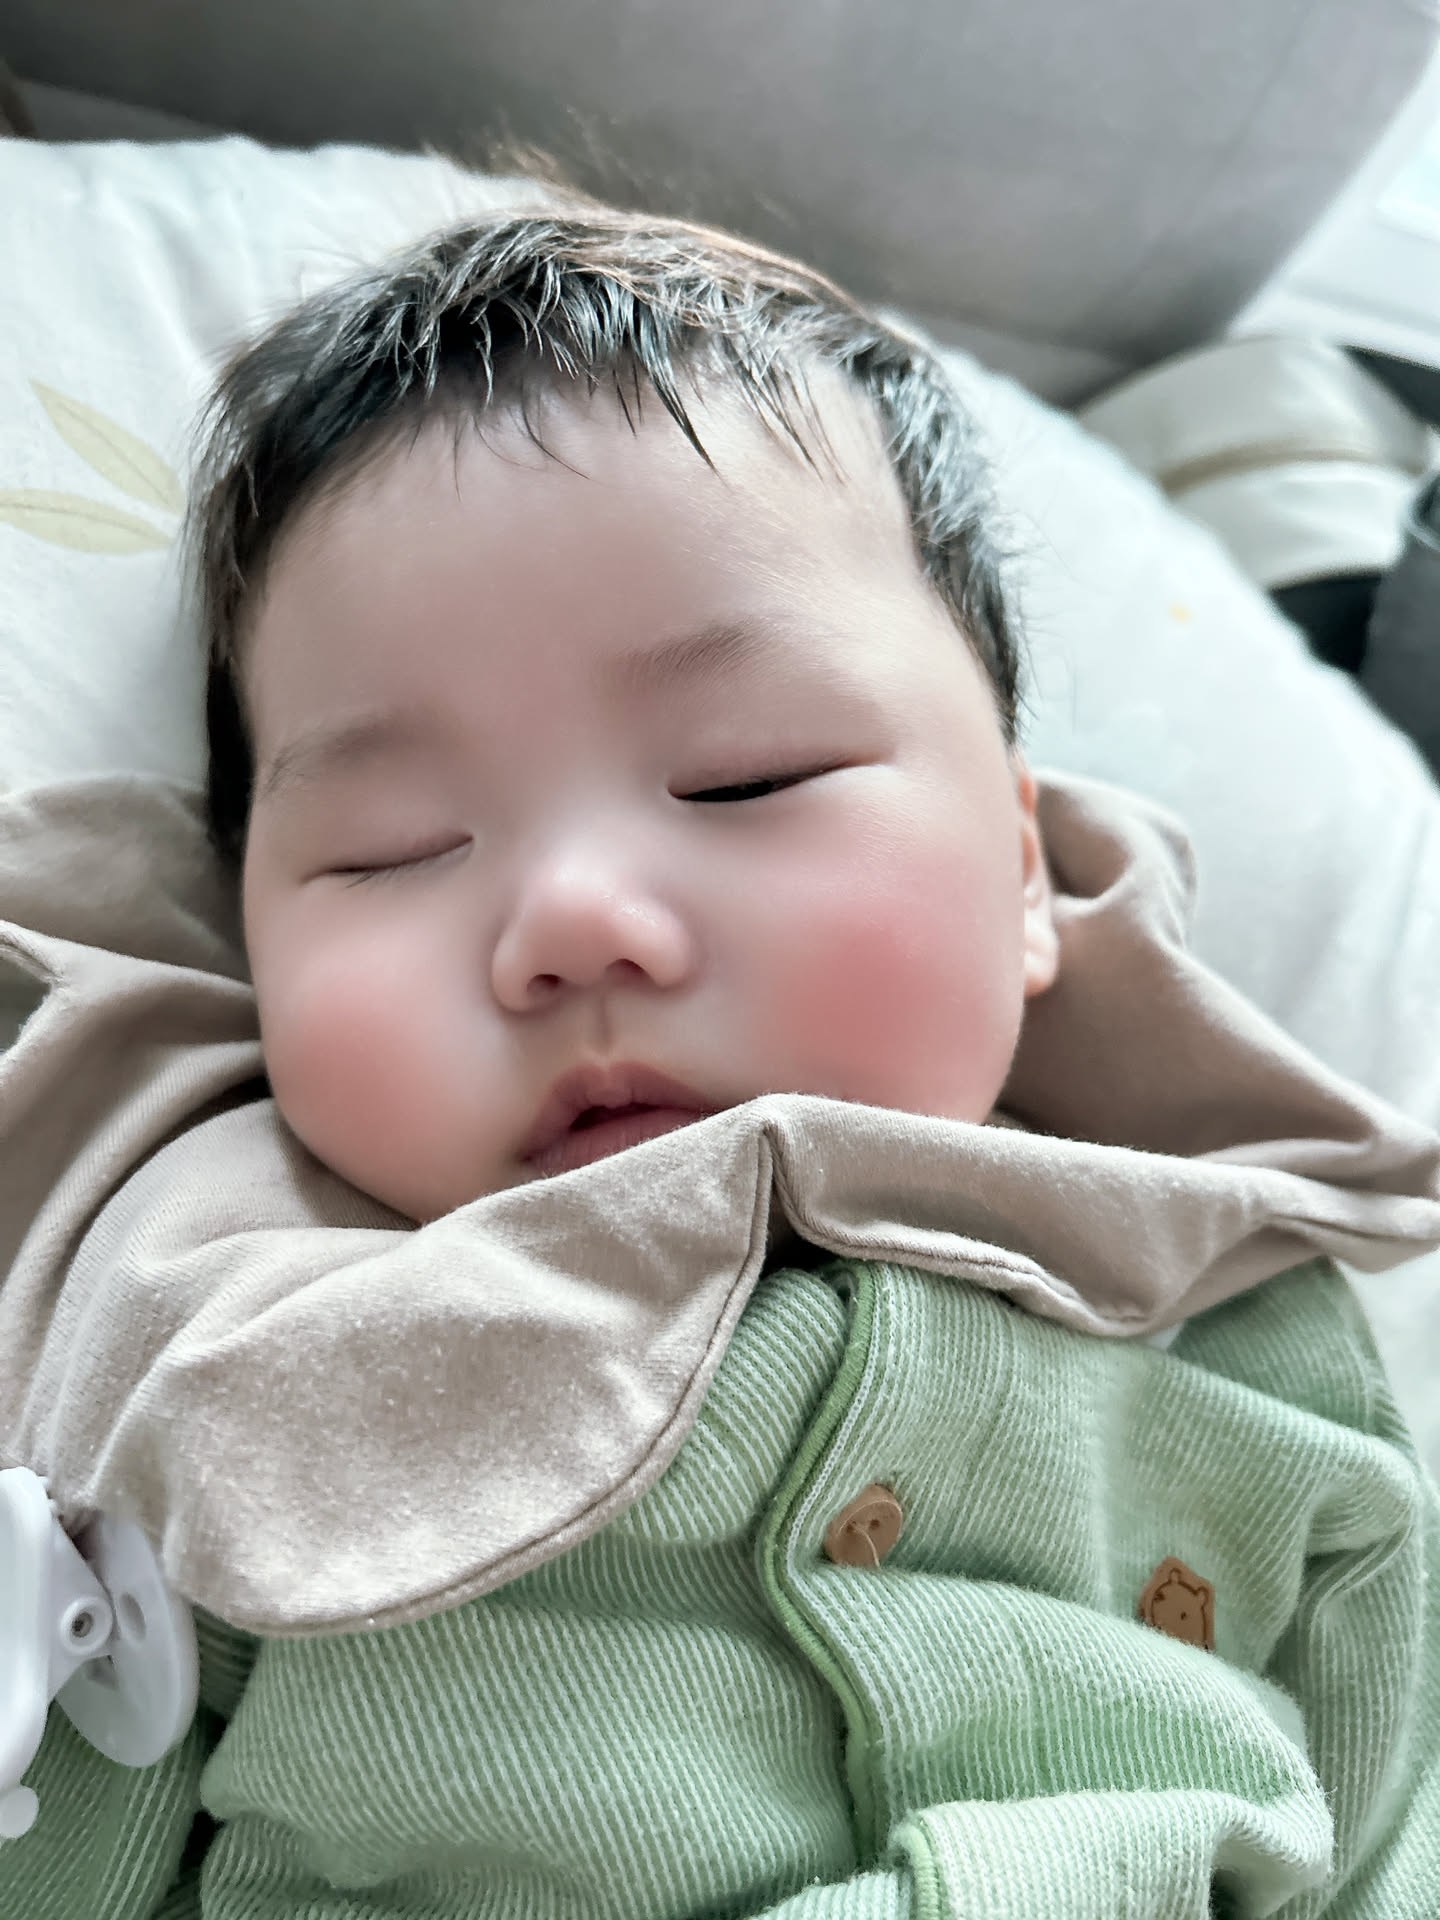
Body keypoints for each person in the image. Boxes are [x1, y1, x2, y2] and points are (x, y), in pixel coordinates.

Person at [2, 204, 1440, 1918]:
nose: (572, 922)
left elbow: (1392, 1807)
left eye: (745, 777)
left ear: (1025, 876)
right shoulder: (242, 1345)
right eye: (394, 849)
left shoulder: (1240, 1317)